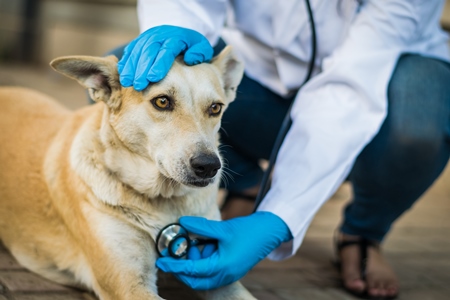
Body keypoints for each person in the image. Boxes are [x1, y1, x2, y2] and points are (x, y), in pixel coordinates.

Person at [116, 0, 450, 298]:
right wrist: (177, 26)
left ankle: (363, 232)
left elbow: (349, 87)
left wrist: (278, 217)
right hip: (263, 75)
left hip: (382, 84)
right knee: (126, 71)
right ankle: (246, 186)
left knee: (417, 132)